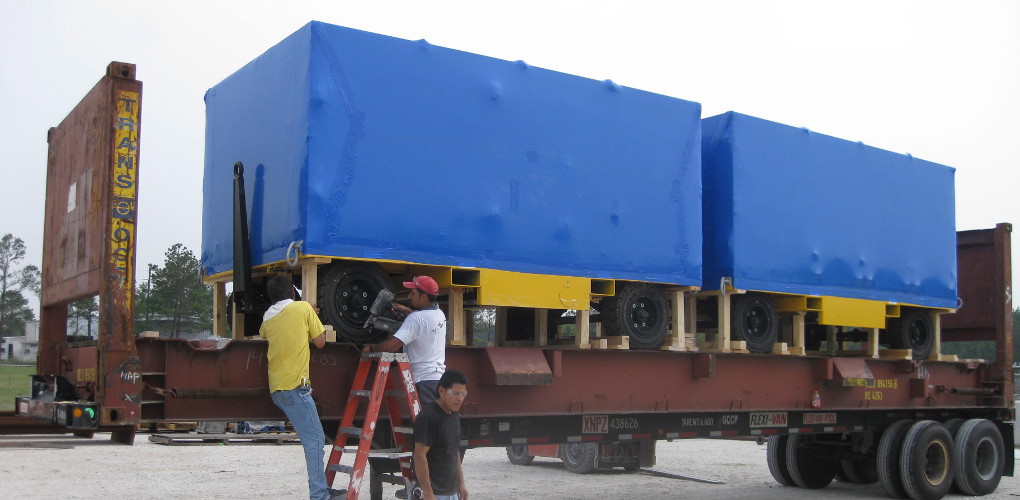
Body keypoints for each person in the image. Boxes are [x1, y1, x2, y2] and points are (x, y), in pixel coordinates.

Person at [259, 275, 342, 500]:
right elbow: (321, 342)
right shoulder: (303, 308)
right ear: (293, 293)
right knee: (315, 442)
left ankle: (321, 489)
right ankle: (319, 495)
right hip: (296, 387)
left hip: (277, 387)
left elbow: (267, 334)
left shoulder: (267, 316)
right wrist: (312, 317)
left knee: (312, 440)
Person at [362, 275, 447, 407]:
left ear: (424, 296)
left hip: (423, 381)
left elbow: (391, 346)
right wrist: (405, 311)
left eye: (412, 293)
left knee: (428, 424)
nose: (408, 297)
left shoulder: (415, 319)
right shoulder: (439, 314)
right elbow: (422, 321)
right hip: (438, 378)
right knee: (437, 422)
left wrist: (371, 349)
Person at [412, 369, 469, 500]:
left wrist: (461, 484)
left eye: (463, 394)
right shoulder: (428, 417)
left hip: (451, 492)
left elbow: (454, 451)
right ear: (441, 390)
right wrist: (427, 492)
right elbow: (419, 455)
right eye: (455, 394)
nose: (459, 399)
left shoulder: (454, 417)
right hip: (433, 494)